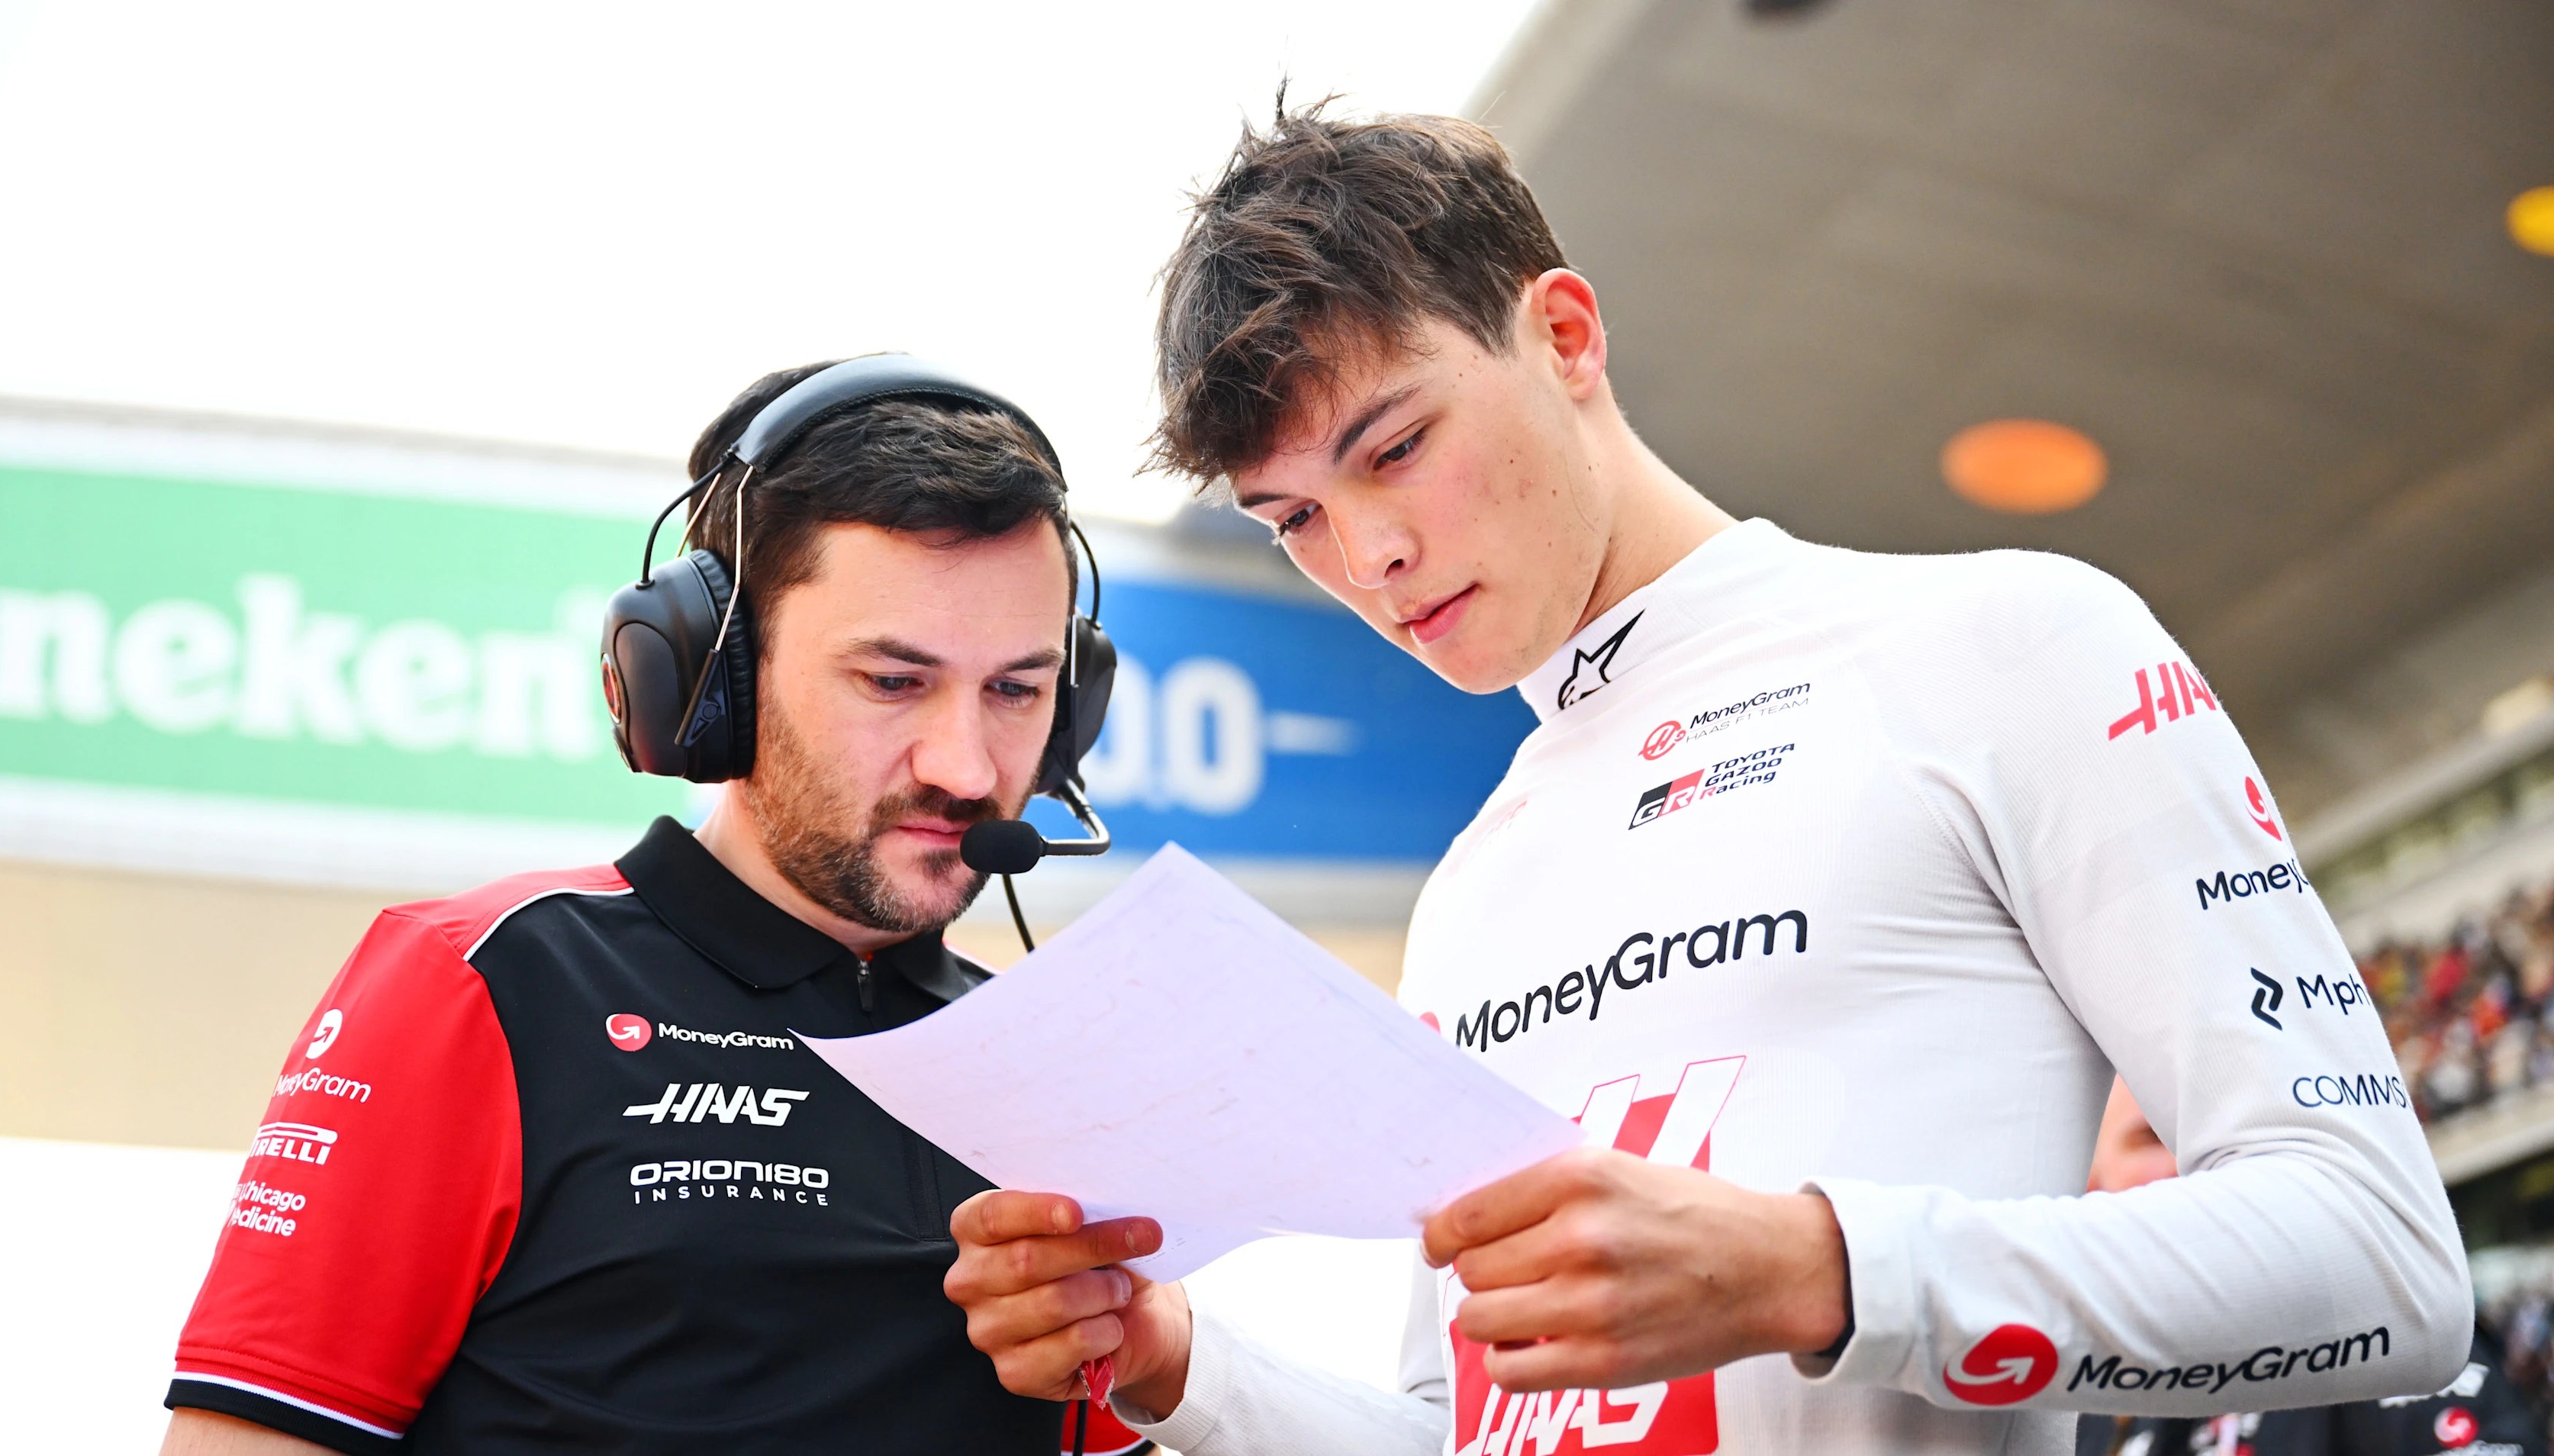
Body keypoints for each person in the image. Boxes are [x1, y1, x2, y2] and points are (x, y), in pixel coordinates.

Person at [942, 100, 2472, 1454]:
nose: (1370, 557)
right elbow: (1458, 1422)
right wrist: (1174, 1364)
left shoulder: (2004, 642)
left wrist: (1819, 1272)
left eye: (1396, 447)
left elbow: (2387, 1269)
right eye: (1293, 521)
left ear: (1563, 335)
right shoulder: (1479, 878)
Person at [159, 359, 1145, 1453]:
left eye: (1016, 689)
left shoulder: (1056, 1071)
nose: (966, 767)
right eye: (893, 681)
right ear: (711, 683)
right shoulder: (488, 983)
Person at [2074, 1081, 2543, 1456]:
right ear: (2090, 1185)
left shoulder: (2373, 1333)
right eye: (2154, 1136)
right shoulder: (2067, 1398)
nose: (2191, 1161)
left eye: (2209, 1136)